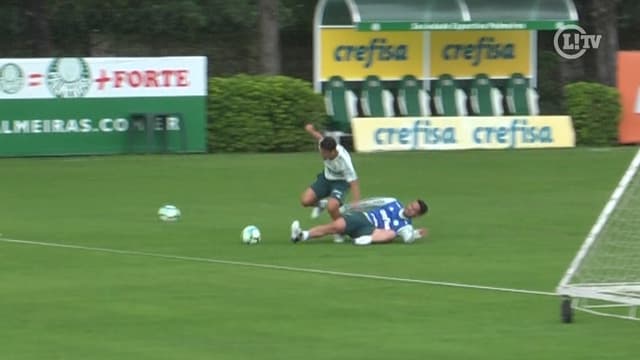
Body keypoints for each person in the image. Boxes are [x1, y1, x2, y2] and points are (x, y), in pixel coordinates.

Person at [300, 123, 360, 243]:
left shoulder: (344, 162)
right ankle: (321, 204)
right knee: (305, 201)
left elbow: (354, 182)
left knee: (332, 207)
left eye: (324, 153)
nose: (322, 154)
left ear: (332, 152)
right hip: (326, 178)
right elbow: (319, 137)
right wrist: (311, 130)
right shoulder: (324, 146)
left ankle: (340, 231)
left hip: (341, 183)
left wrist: (356, 202)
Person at [290, 197, 428, 246]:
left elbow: (407, 239)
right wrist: (348, 207)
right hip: (363, 218)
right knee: (335, 226)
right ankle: (301, 235)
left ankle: (364, 240)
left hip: (373, 232)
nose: (409, 208)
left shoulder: (406, 226)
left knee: (391, 234)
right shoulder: (394, 202)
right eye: (411, 205)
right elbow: (371, 202)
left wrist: (416, 233)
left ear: (417, 215)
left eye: (414, 210)